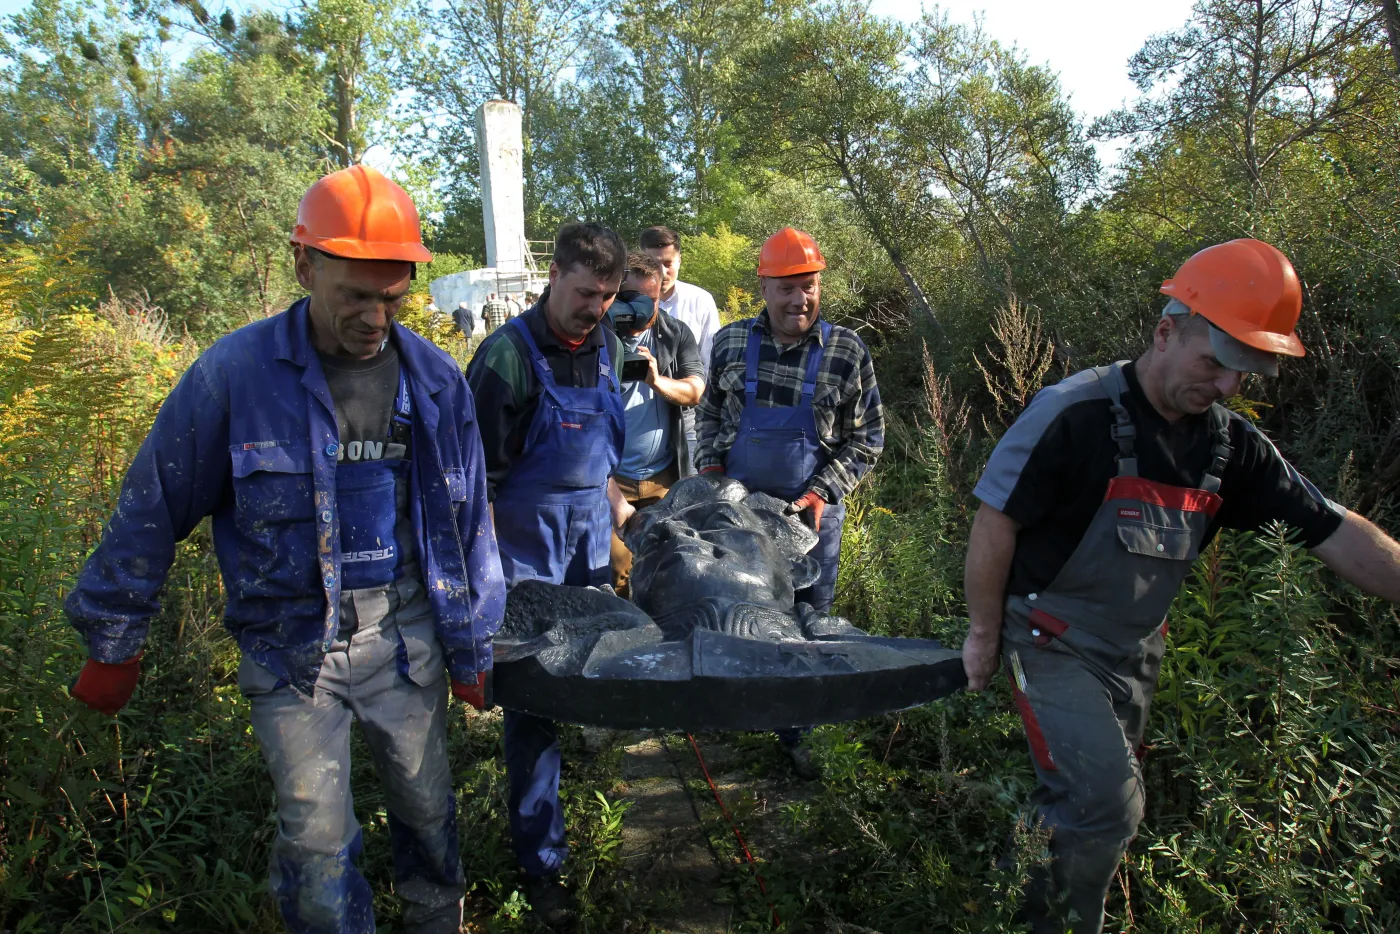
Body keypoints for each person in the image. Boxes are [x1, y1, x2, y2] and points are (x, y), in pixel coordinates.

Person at [64, 164, 506, 934]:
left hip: (403, 642)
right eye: (356, 297)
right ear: (305, 265)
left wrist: (471, 645)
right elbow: (151, 503)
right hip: (289, 649)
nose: (376, 318)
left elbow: (469, 526)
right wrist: (114, 636)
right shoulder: (234, 376)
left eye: (393, 298)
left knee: (428, 808)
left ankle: (437, 919)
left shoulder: (435, 383)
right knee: (314, 837)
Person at [962, 238, 1400, 934]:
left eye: (1244, 373)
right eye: (1217, 363)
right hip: (1046, 635)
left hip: (1135, 652)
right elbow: (994, 524)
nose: (1227, 387)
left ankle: (1019, 872)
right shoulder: (1071, 414)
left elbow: (1336, 530)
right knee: (1108, 804)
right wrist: (983, 635)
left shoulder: (1231, 449)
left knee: (1100, 800)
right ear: (1166, 333)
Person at [464, 222, 634, 925]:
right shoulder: (505, 358)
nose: (594, 308)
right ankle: (541, 865)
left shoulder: (612, 349)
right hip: (522, 547)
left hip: (590, 539)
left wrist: (616, 498)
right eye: (585, 292)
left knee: (597, 671)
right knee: (533, 706)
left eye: (607, 295)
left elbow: (608, 453)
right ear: (554, 276)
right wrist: (489, 581)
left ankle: (591, 788)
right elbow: (473, 485)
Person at [693, 226, 885, 778]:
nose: (800, 299)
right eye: (787, 288)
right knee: (737, 611)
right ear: (764, 286)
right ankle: (739, 708)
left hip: (811, 511)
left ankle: (801, 732)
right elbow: (709, 415)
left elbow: (868, 437)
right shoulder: (730, 342)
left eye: (810, 286)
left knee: (808, 618)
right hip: (739, 513)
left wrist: (822, 491)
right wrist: (709, 466)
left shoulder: (847, 350)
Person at [605, 251, 706, 595]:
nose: (641, 311)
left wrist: (656, 380)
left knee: (664, 569)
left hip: (664, 478)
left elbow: (695, 391)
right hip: (612, 480)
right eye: (630, 299)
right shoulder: (596, 336)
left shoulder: (673, 334)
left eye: (650, 300)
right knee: (616, 571)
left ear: (661, 293)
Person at [641, 225, 721, 470]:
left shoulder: (700, 301)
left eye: (668, 263)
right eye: (653, 264)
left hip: (689, 413)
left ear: (679, 260)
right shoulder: (626, 301)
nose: (662, 272)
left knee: (691, 488)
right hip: (638, 412)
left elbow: (712, 362)